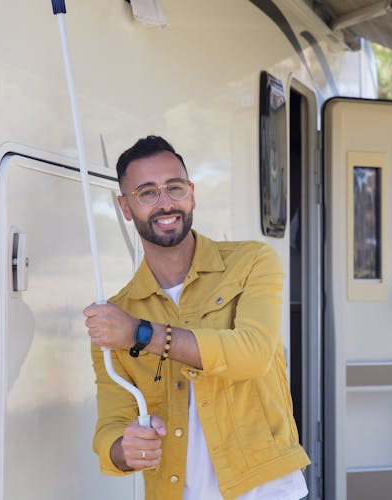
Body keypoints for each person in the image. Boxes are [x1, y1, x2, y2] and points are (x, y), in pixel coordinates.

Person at [84, 135, 310, 500]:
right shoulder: (117, 316)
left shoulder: (251, 261)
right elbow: (111, 424)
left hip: (269, 492)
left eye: (174, 188)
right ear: (125, 207)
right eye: (147, 193)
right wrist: (124, 450)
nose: (165, 203)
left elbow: (252, 354)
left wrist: (142, 334)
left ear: (191, 193)